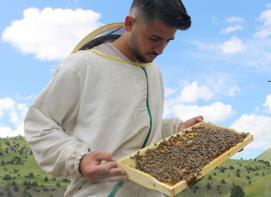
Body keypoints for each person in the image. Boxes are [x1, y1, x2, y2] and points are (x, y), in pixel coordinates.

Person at [24, 0, 203, 196]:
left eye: (168, 41)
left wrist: (177, 130)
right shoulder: (82, 65)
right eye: (154, 38)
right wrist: (79, 160)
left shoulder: (154, 71)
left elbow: (136, 132)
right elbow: (39, 124)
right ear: (129, 24)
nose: (161, 49)